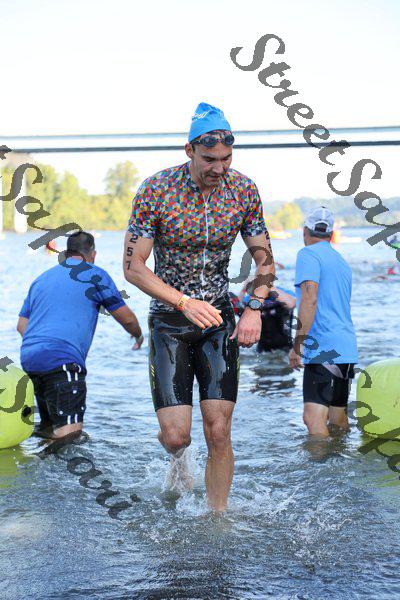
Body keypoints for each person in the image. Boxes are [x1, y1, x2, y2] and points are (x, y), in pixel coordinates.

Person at [123, 102, 275, 511]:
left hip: (219, 319)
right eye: (210, 159)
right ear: (189, 150)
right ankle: (178, 459)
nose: (219, 168)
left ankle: (217, 518)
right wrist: (183, 301)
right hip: (170, 320)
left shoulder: (243, 191)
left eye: (227, 159)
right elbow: (133, 268)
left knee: (219, 431)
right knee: (177, 436)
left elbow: (264, 259)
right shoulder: (157, 191)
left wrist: (253, 309)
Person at [17, 232, 143, 442]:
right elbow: (127, 319)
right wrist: (138, 335)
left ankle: (41, 456)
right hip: (62, 361)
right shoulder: (95, 274)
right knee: (70, 438)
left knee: (49, 431)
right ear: (92, 254)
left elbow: (22, 325)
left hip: (31, 360)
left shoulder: (41, 279)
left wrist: (43, 346)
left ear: (67, 253)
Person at [289, 207, 358, 437]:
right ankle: (341, 458)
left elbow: (310, 298)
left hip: (323, 347)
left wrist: (298, 345)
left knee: (312, 418)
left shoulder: (307, 254)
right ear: (331, 234)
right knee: (338, 418)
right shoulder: (341, 262)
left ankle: (320, 461)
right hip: (346, 347)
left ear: (305, 231)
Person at [239, 283, 296, 352]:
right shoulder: (252, 299)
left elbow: (291, 304)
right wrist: (243, 290)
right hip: (263, 348)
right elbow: (239, 308)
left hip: (285, 346)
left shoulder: (282, 293)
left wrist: (266, 286)